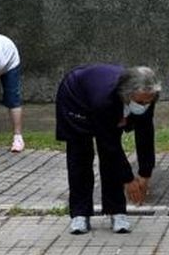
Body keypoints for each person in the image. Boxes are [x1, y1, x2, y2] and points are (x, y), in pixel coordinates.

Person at [54, 64, 160, 235]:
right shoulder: (105, 100)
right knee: (80, 155)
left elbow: (146, 133)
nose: (144, 105)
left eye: (148, 101)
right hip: (76, 99)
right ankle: (80, 213)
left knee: (111, 163)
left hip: (103, 100)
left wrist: (145, 174)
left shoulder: (149, 97)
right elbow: (109, 144)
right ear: (127, 94)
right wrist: (128, 179)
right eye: (140, 102)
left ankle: (116, 210)